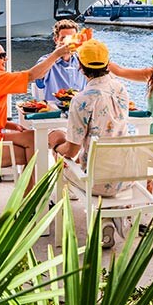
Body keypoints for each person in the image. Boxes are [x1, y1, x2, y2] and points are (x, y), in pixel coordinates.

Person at [47, 38, 131, 248]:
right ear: (107, 63)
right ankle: (107, 218)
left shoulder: (81, 99)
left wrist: (55, 145)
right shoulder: (121, 89)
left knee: (61, 159)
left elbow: (71, 150)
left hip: (96, 181)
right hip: (126, 176)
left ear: (80, 66)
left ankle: (59, 221)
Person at [0, 40, 70, 181]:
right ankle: (32, 191)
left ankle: (30, 191)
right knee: (35, 152)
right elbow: (31, 76)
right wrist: (56, 54)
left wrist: (10, 125)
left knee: (33, 139)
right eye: (2, 55)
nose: (6, 59)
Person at [34, 19, 88, 104]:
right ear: (56, 40)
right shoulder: (45, 60)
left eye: (72, 37)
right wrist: (57, 55)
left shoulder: (83, 61)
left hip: (79, 107)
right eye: (63, 38)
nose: (68, 41)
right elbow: (38, 81)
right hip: (55, 109)